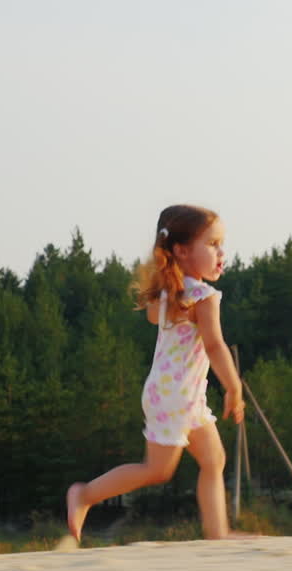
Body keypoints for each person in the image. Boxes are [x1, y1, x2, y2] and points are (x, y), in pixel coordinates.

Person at [65, 204, 254, 543]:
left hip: (177, 394)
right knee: (157, 470)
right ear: (181, 251)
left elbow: (155, 317)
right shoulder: (203, 297)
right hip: (176, 396)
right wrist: (233, 387)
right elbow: (214, 345)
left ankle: (218, 533)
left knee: (214, 459)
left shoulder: (170, 294)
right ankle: (85, 494)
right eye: (212, 244)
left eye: (221, 244)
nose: (221, 253)